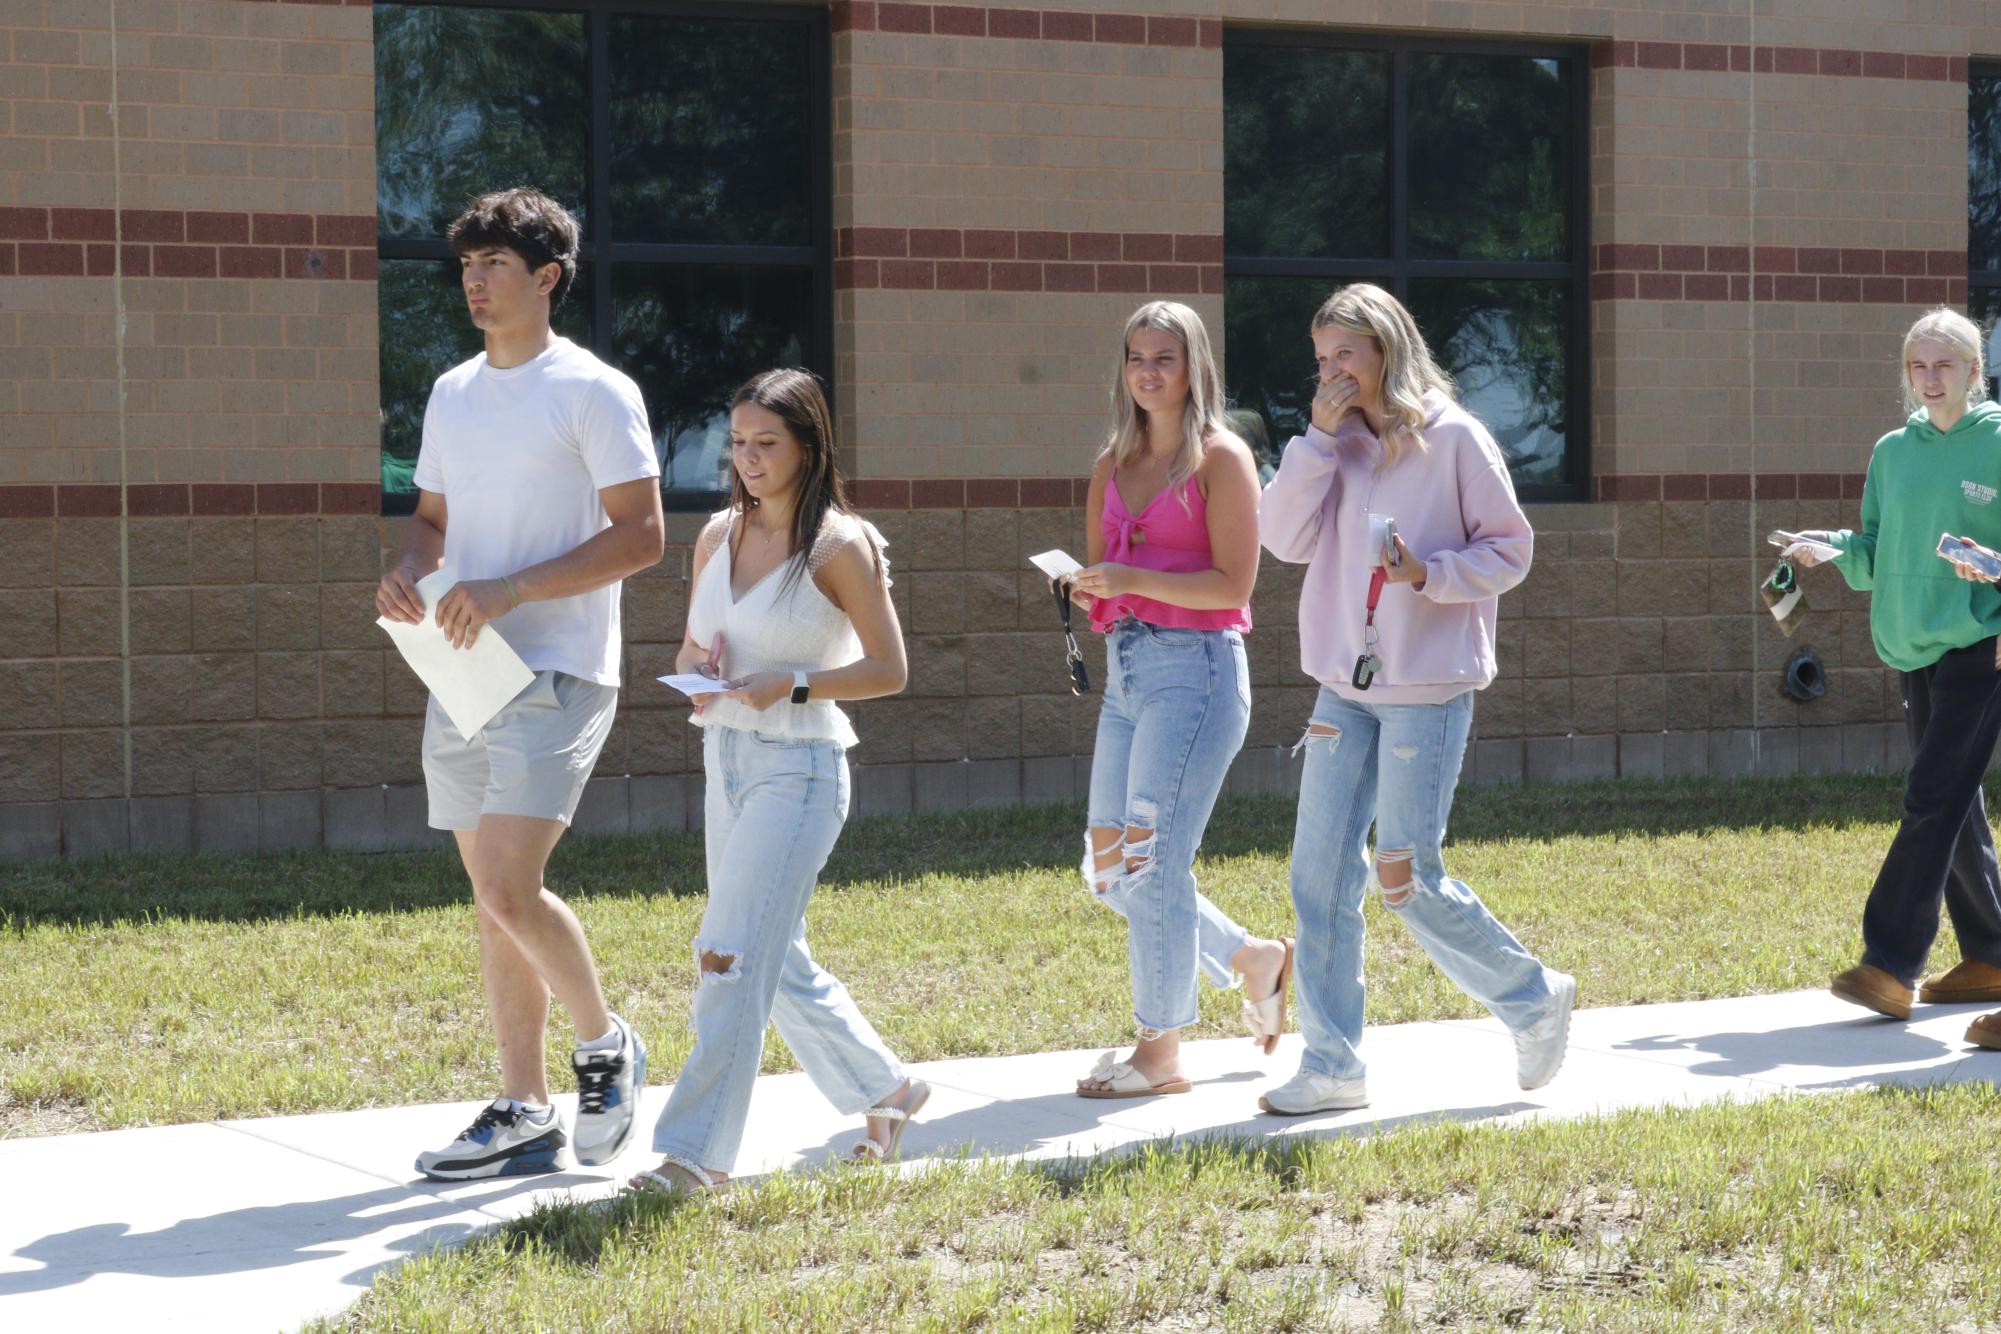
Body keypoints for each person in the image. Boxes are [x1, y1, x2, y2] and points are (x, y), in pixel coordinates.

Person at [376, 188, 664, 1178]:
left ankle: (604, 1042)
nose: (474, 280)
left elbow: (644, 534)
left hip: (562, 665)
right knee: (489, 896)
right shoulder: (453, 391)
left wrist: (512, 588)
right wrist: (412, 571)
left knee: (510, 881)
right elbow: (432, 523)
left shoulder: (593, 389)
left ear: (547, 277)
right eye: (466, 265)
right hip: (463, 666)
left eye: (494, 264)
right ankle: (521, 1103)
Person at [1256, 282, 1574, 1116]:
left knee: (1406, 878)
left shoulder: (1456, 439)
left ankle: (1533, 998)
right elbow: (1282, 541)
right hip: (1341, 685)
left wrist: (1428, 575)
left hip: (1424, 689)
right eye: (1320, 358)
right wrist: (1316, 444)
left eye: (1344, 356)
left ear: (1385, 352)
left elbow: (1510, 551)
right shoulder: (1331, 447)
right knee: (1317, 876)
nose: (1329, 373)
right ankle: (1330, 1064)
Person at [631, 369, 924, 1196]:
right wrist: (699, 669)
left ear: (807, 446)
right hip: (722, 758)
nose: (748, 459)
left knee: (726, 956)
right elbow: (695, 645)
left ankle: (695, 1155)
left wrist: (791, 681)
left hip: (798, 769)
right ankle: (888, 1090)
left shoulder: (839, 546)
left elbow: (889, 670)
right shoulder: (717, 535)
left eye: (767, 444)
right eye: (738, 443)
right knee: (773, 956)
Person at [1063, 300, 1295, 1100]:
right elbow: (1106, 573)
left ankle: (1158, 1054)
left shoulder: (1220, 459)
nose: (1147, 371)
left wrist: (1131, 579)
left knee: (1153, 860)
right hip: (1129, 671)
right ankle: (1250, 958)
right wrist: (1092, 583)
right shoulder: (1110, 464)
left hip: (1194, 672)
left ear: (1193, 366)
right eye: (1135, 357)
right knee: (1109, 869)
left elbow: (1233, 584)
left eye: (1164, 357)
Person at [1790, 307, 2001, 1038]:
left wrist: (1992, 567)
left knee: (1931, 795)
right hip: (1911, 642)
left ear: (1974, 373)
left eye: (1944, 364)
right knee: (1954, 800)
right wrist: (1832, 548)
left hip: (1983, 644)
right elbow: (1877, 546)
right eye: (1917, 366)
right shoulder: (1891, 451)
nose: (1929, 378)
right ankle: (1990, 953)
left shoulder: (1998, 443)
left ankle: (1888, 962)